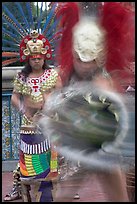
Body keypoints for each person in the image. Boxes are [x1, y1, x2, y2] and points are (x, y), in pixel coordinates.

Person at [39, 2, 134, 202]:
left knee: (117, 194)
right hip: (81, 143)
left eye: (89, 60)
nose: (84, 64)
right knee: (66, 192)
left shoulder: (103, 80)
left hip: (102, 146)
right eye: (81, 59)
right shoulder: (67, 78)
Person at [4, 29, 62, 202]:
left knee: (54, 156)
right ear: (28, 59)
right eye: (33, 58)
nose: (36, 61)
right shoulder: (22, 76)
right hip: (29, 122)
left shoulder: (53, 75)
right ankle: (19, 186)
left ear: (45, 58)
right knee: (28, 157)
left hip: (50, 121)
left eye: (39, 58)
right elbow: (15, 97)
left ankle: (59, 186)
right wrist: (23, 109)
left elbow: (61, 95)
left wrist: (50, 107)